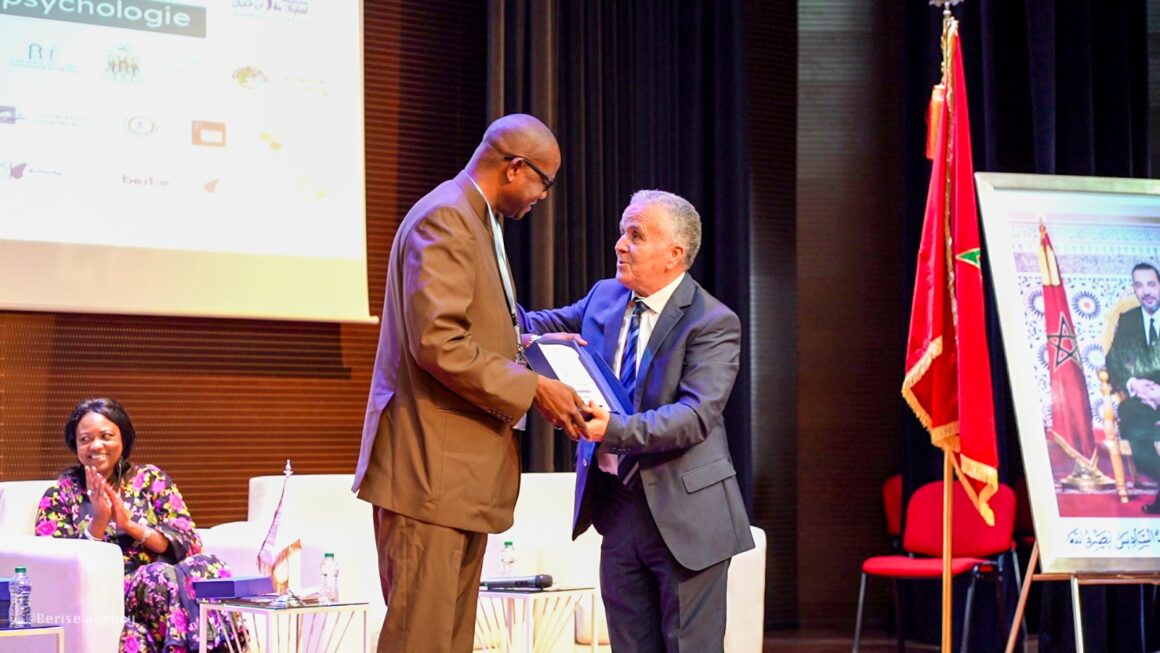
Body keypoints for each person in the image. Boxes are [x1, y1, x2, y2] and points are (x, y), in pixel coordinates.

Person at [352, 113, 588, 653]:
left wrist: (532, 345)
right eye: (544, 183)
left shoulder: (475, 219)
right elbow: (439, 342)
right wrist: (533, 387)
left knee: (449, 641)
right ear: (514, 167)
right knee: (421, 639)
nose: (543, 197)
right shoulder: (446, 218)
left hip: (455, 476)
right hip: (429, 470)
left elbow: (477, 327)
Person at [521, 189, 754, 652]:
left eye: (635, 235)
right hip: (618, 508)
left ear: (674, 254)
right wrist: (491, 310)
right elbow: (533, 324)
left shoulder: (712, 321)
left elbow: (694, 417)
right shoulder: (604, 297)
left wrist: (612, 430)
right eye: (622, 232)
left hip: (688, 518)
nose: (620, 245)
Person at [35, 397, 239, 652]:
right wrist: (99, 521)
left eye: (106, 436)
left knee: (207, 565)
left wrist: (130, 525)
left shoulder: (151, 479)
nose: (96, 445)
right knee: (159, 576)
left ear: (123, 438)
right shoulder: (60, 495)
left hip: (169, 583)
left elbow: (189, 543)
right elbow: (57, 568)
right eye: (85, 439)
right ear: (75, 444)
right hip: (111, 591)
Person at [1105, 262, 1160, 514]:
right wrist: (1133, 383)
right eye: (1139, 285)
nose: (1145, 291)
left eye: (1151, 284)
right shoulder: (1128, 320)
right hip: (1142, 402)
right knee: (1129, 419)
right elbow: (1113, 361)